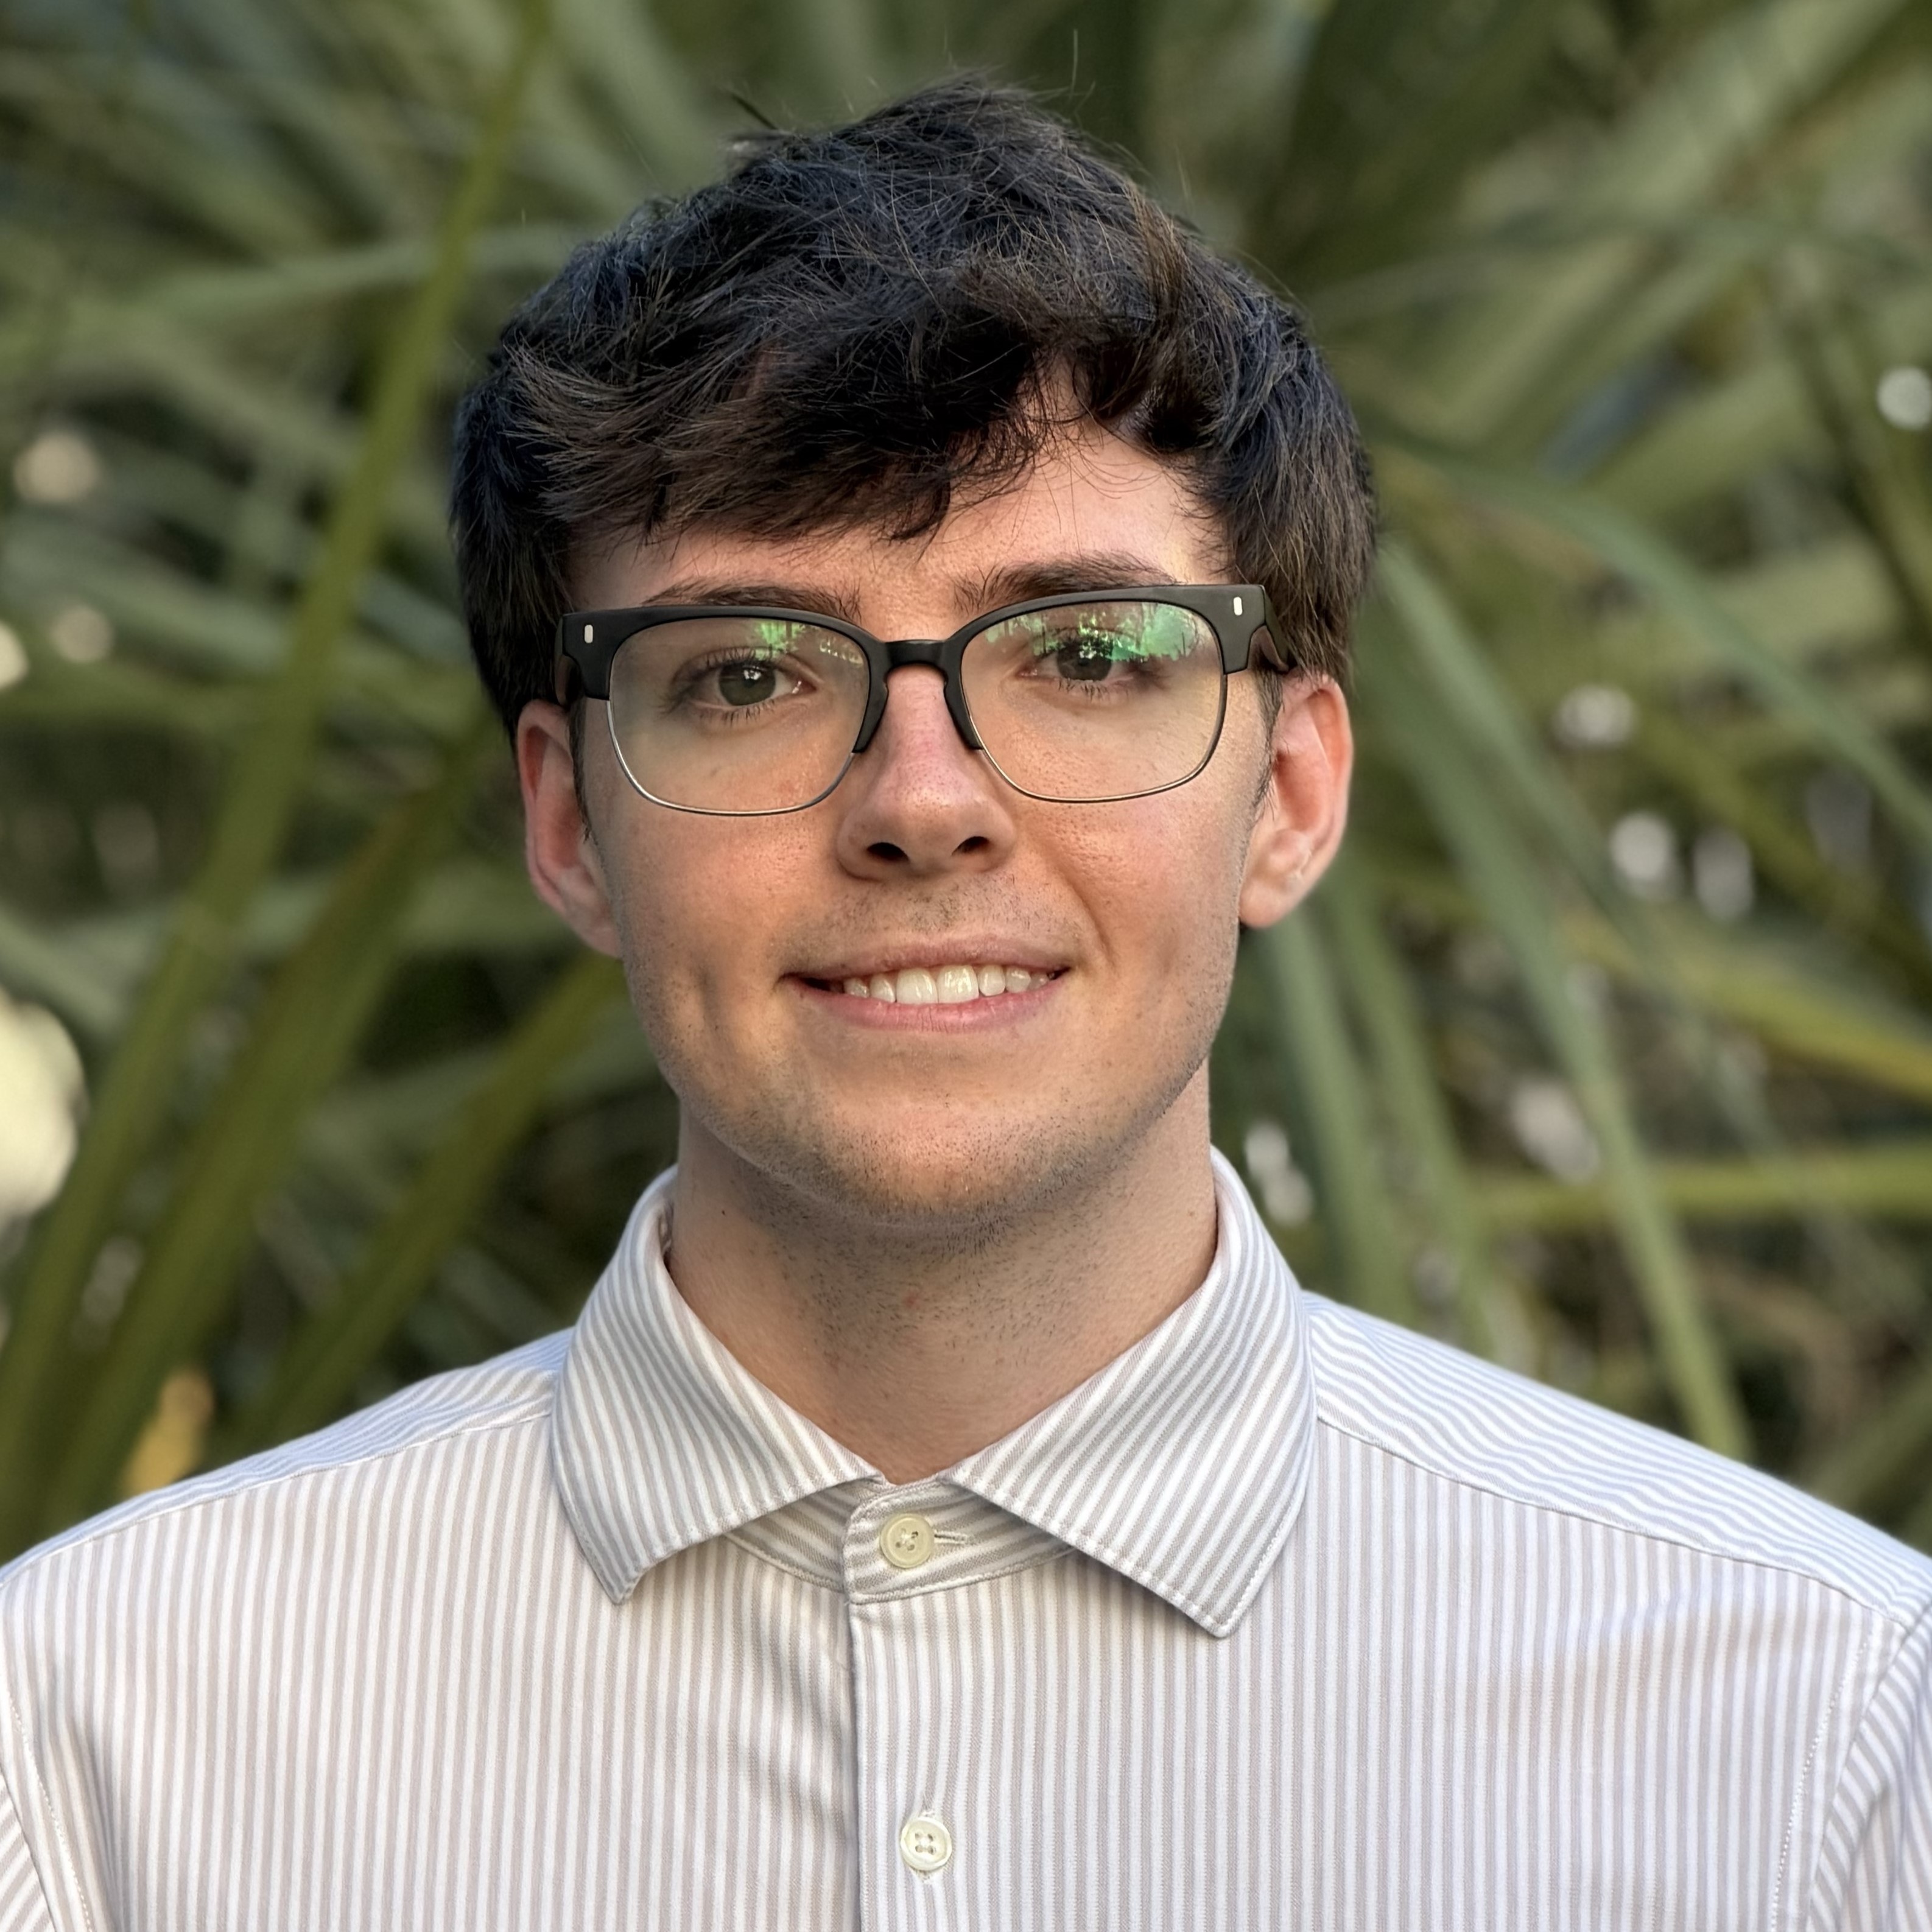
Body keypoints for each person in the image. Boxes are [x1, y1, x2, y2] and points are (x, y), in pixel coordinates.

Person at [1, 80, 1927, 1932]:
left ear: (1291, 793)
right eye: (747, 674)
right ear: (569, 822)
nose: (922, 801)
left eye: (1086, 654)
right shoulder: (97, 1739)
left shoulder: (1817, 1738)